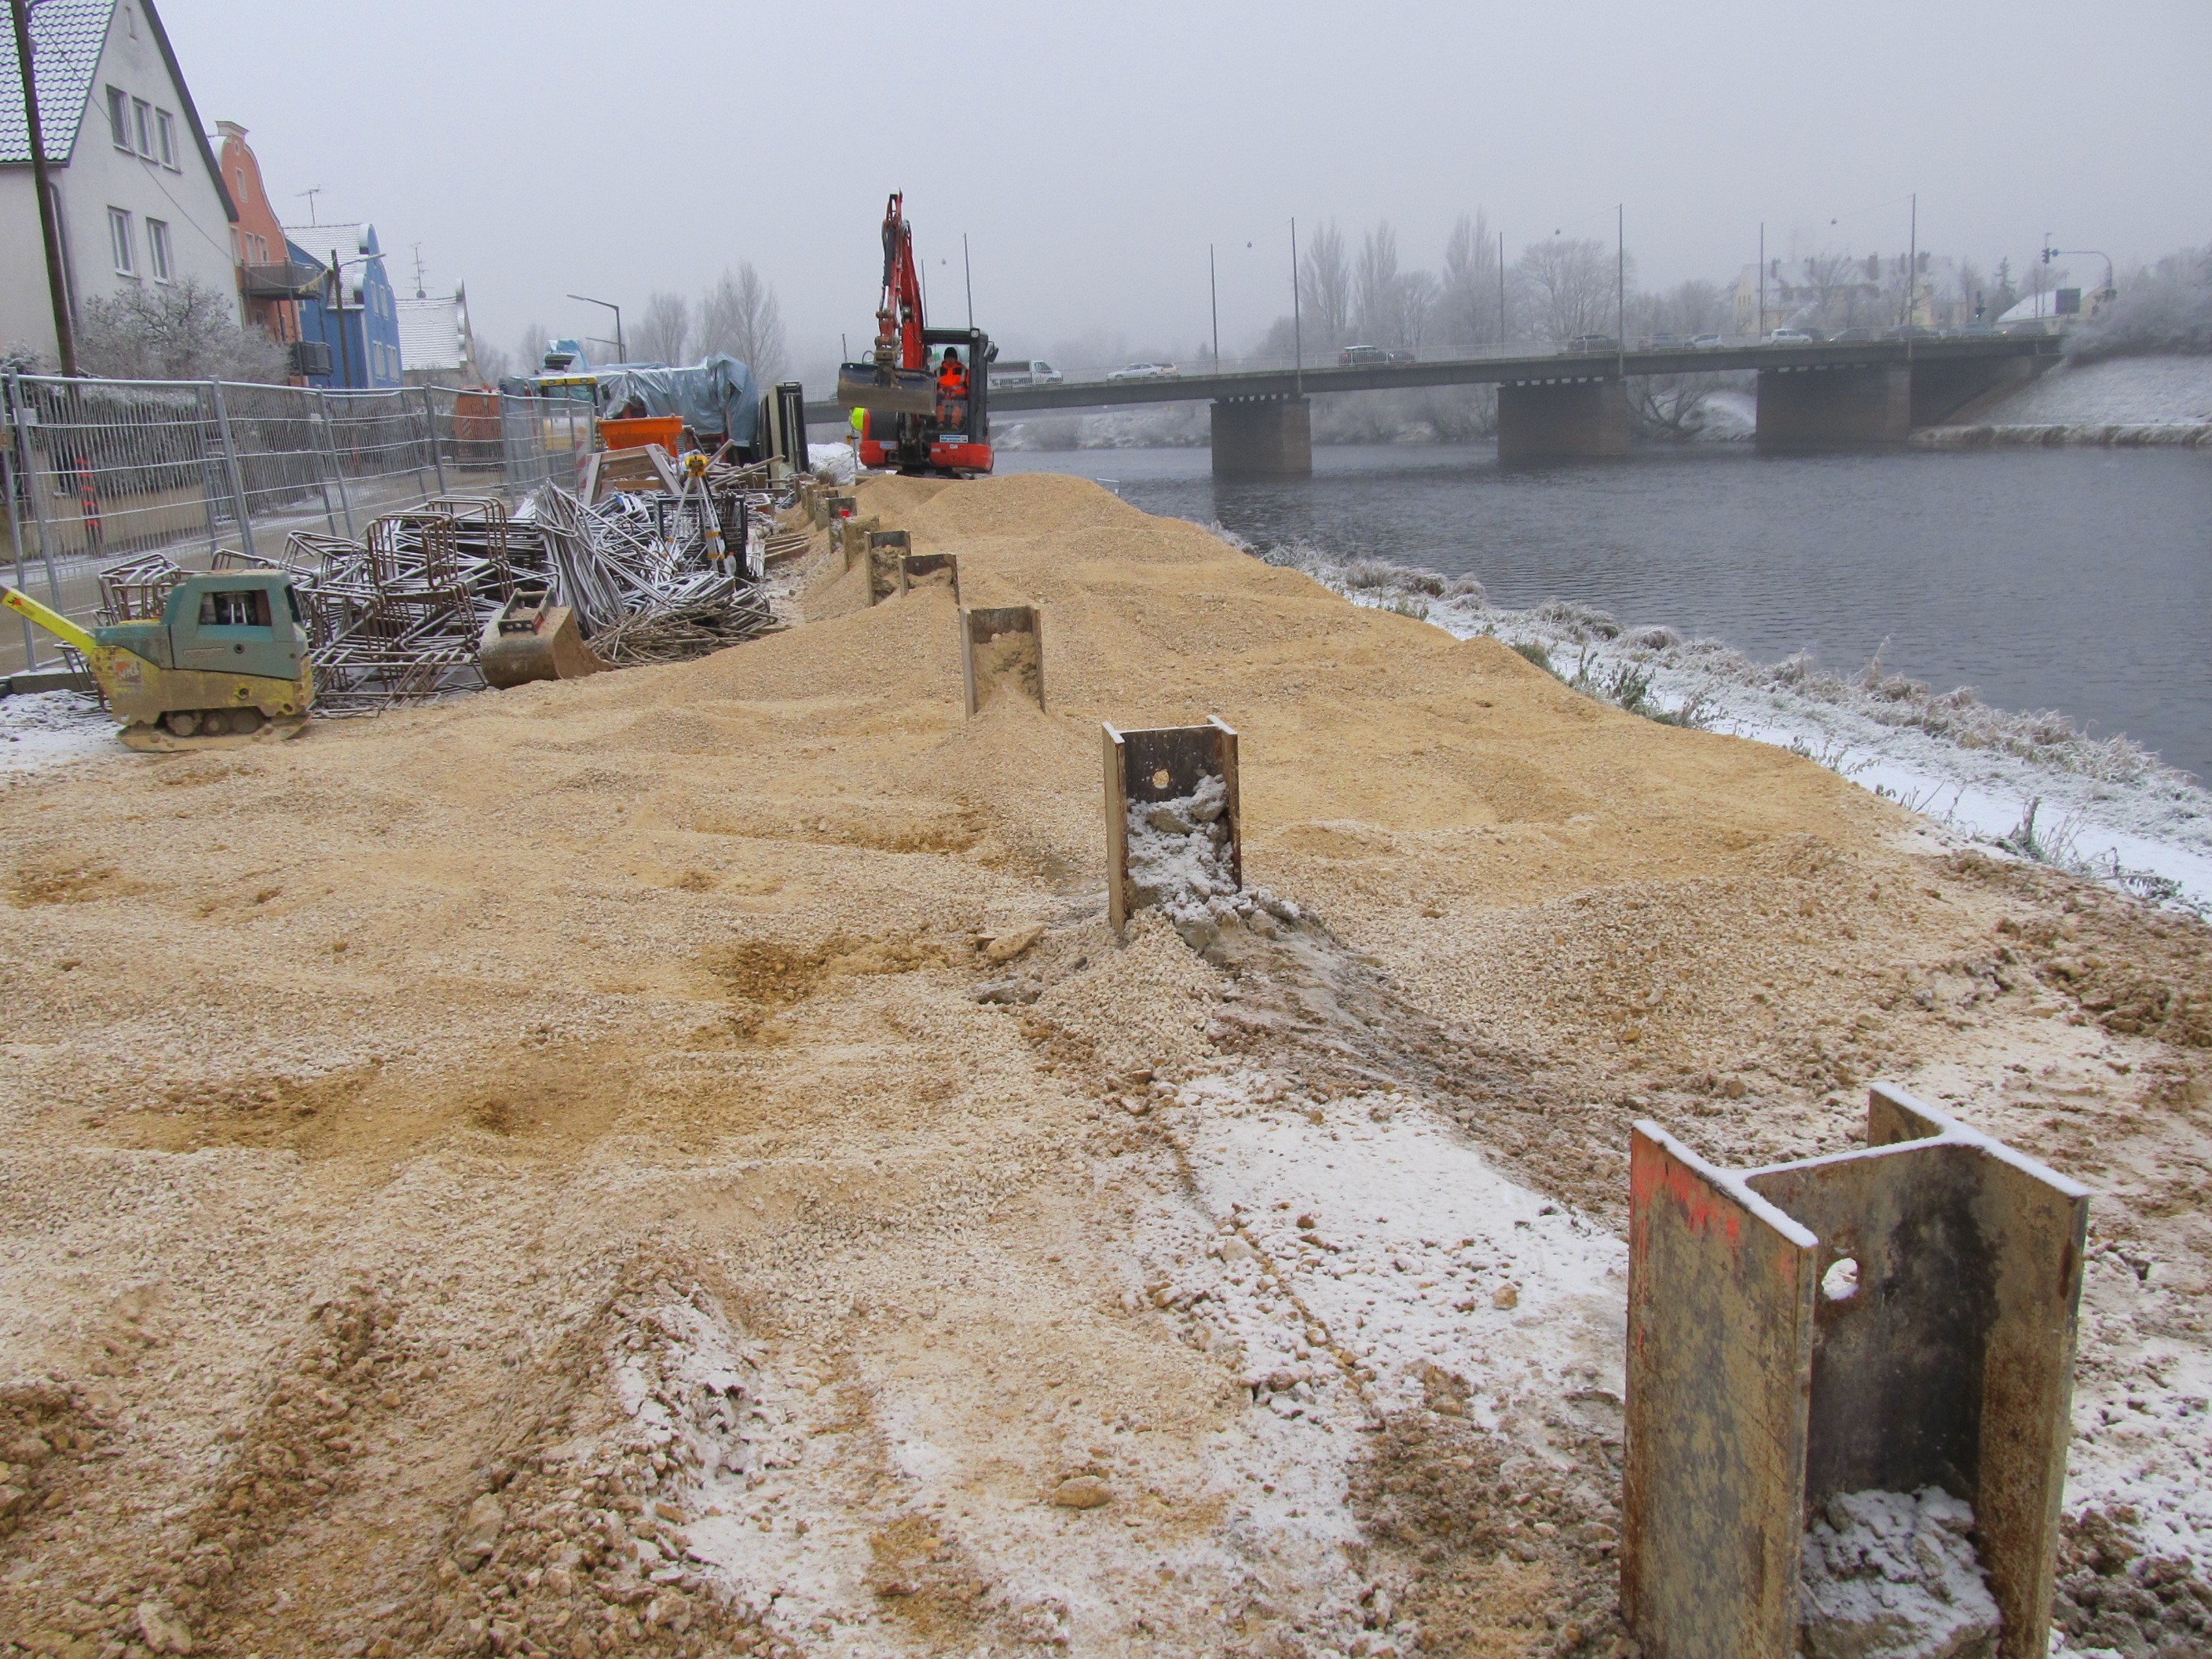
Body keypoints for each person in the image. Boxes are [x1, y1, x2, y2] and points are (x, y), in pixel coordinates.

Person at [936, 348, 969, 439]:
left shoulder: (964, 371)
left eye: (952, 357)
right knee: (938, 399)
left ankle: (955, 424)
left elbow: (969, 386)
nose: (950, 359)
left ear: (956, 359)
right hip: (942, 397)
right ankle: (940, 423)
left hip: (958, 397)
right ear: (945, 358)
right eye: (948, 357)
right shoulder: (937, 372)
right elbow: (933, 386)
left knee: (959, 401)